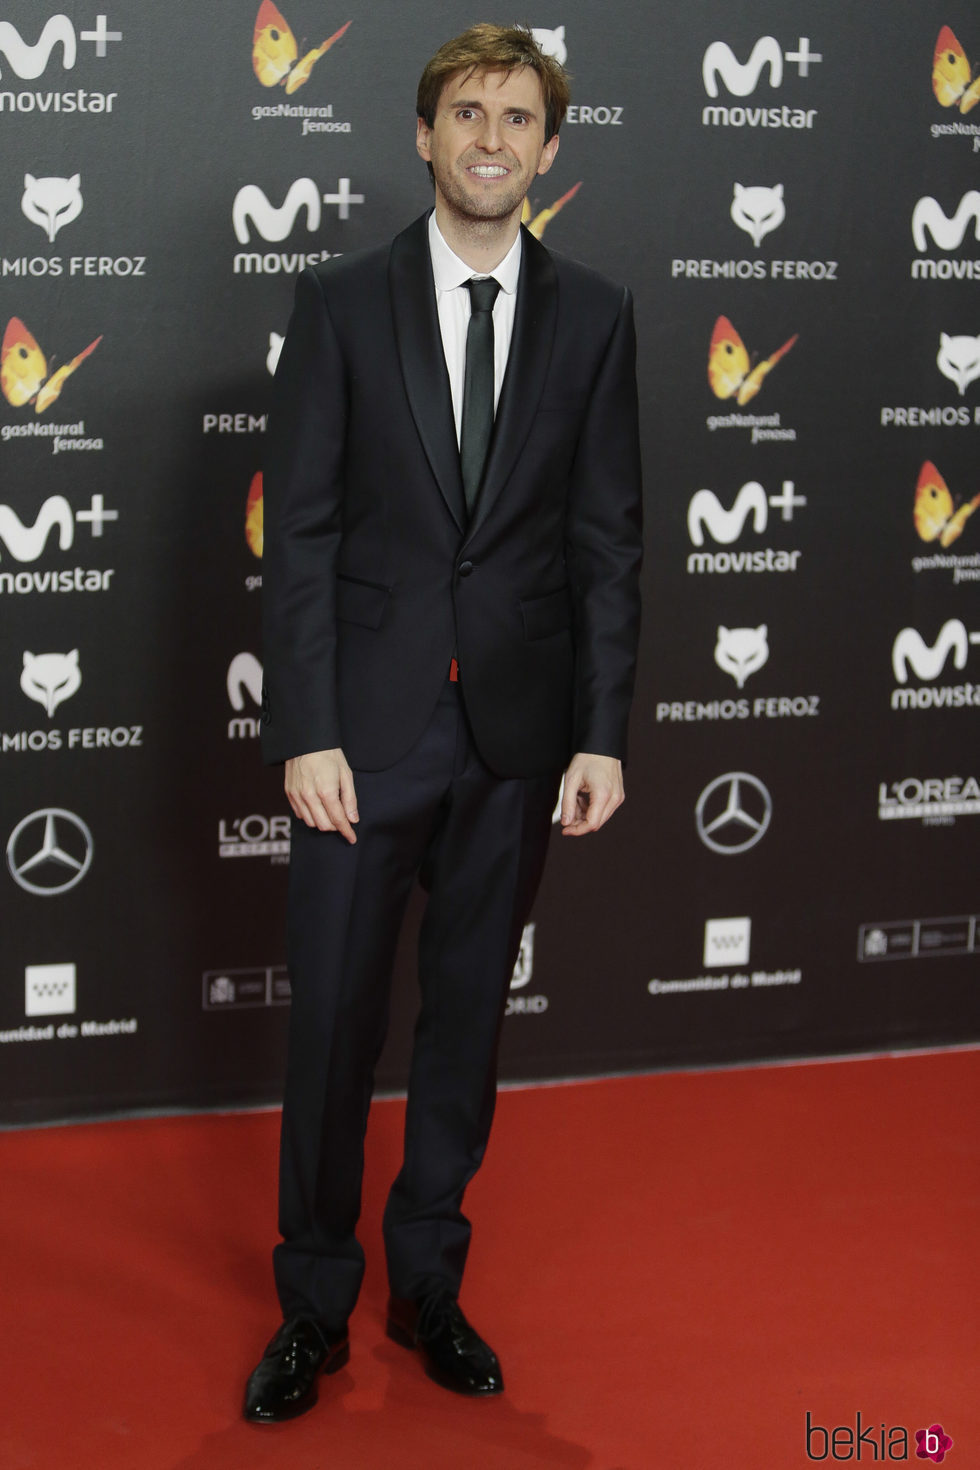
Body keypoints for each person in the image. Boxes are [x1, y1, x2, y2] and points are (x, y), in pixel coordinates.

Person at [244, 22, 643, 1423]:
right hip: (360, 739)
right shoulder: (343, 303)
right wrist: (305, 725)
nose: (490, 137)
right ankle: (313, 1302)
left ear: (549, 147)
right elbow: (296, 538)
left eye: (517, 116)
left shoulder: (594, 317)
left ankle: (426, 1287)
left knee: (465, 1021)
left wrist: (602, 732)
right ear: (424, 135)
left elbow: (608, 540)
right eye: (465, 111)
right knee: (335, 1029)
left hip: (518, 742)